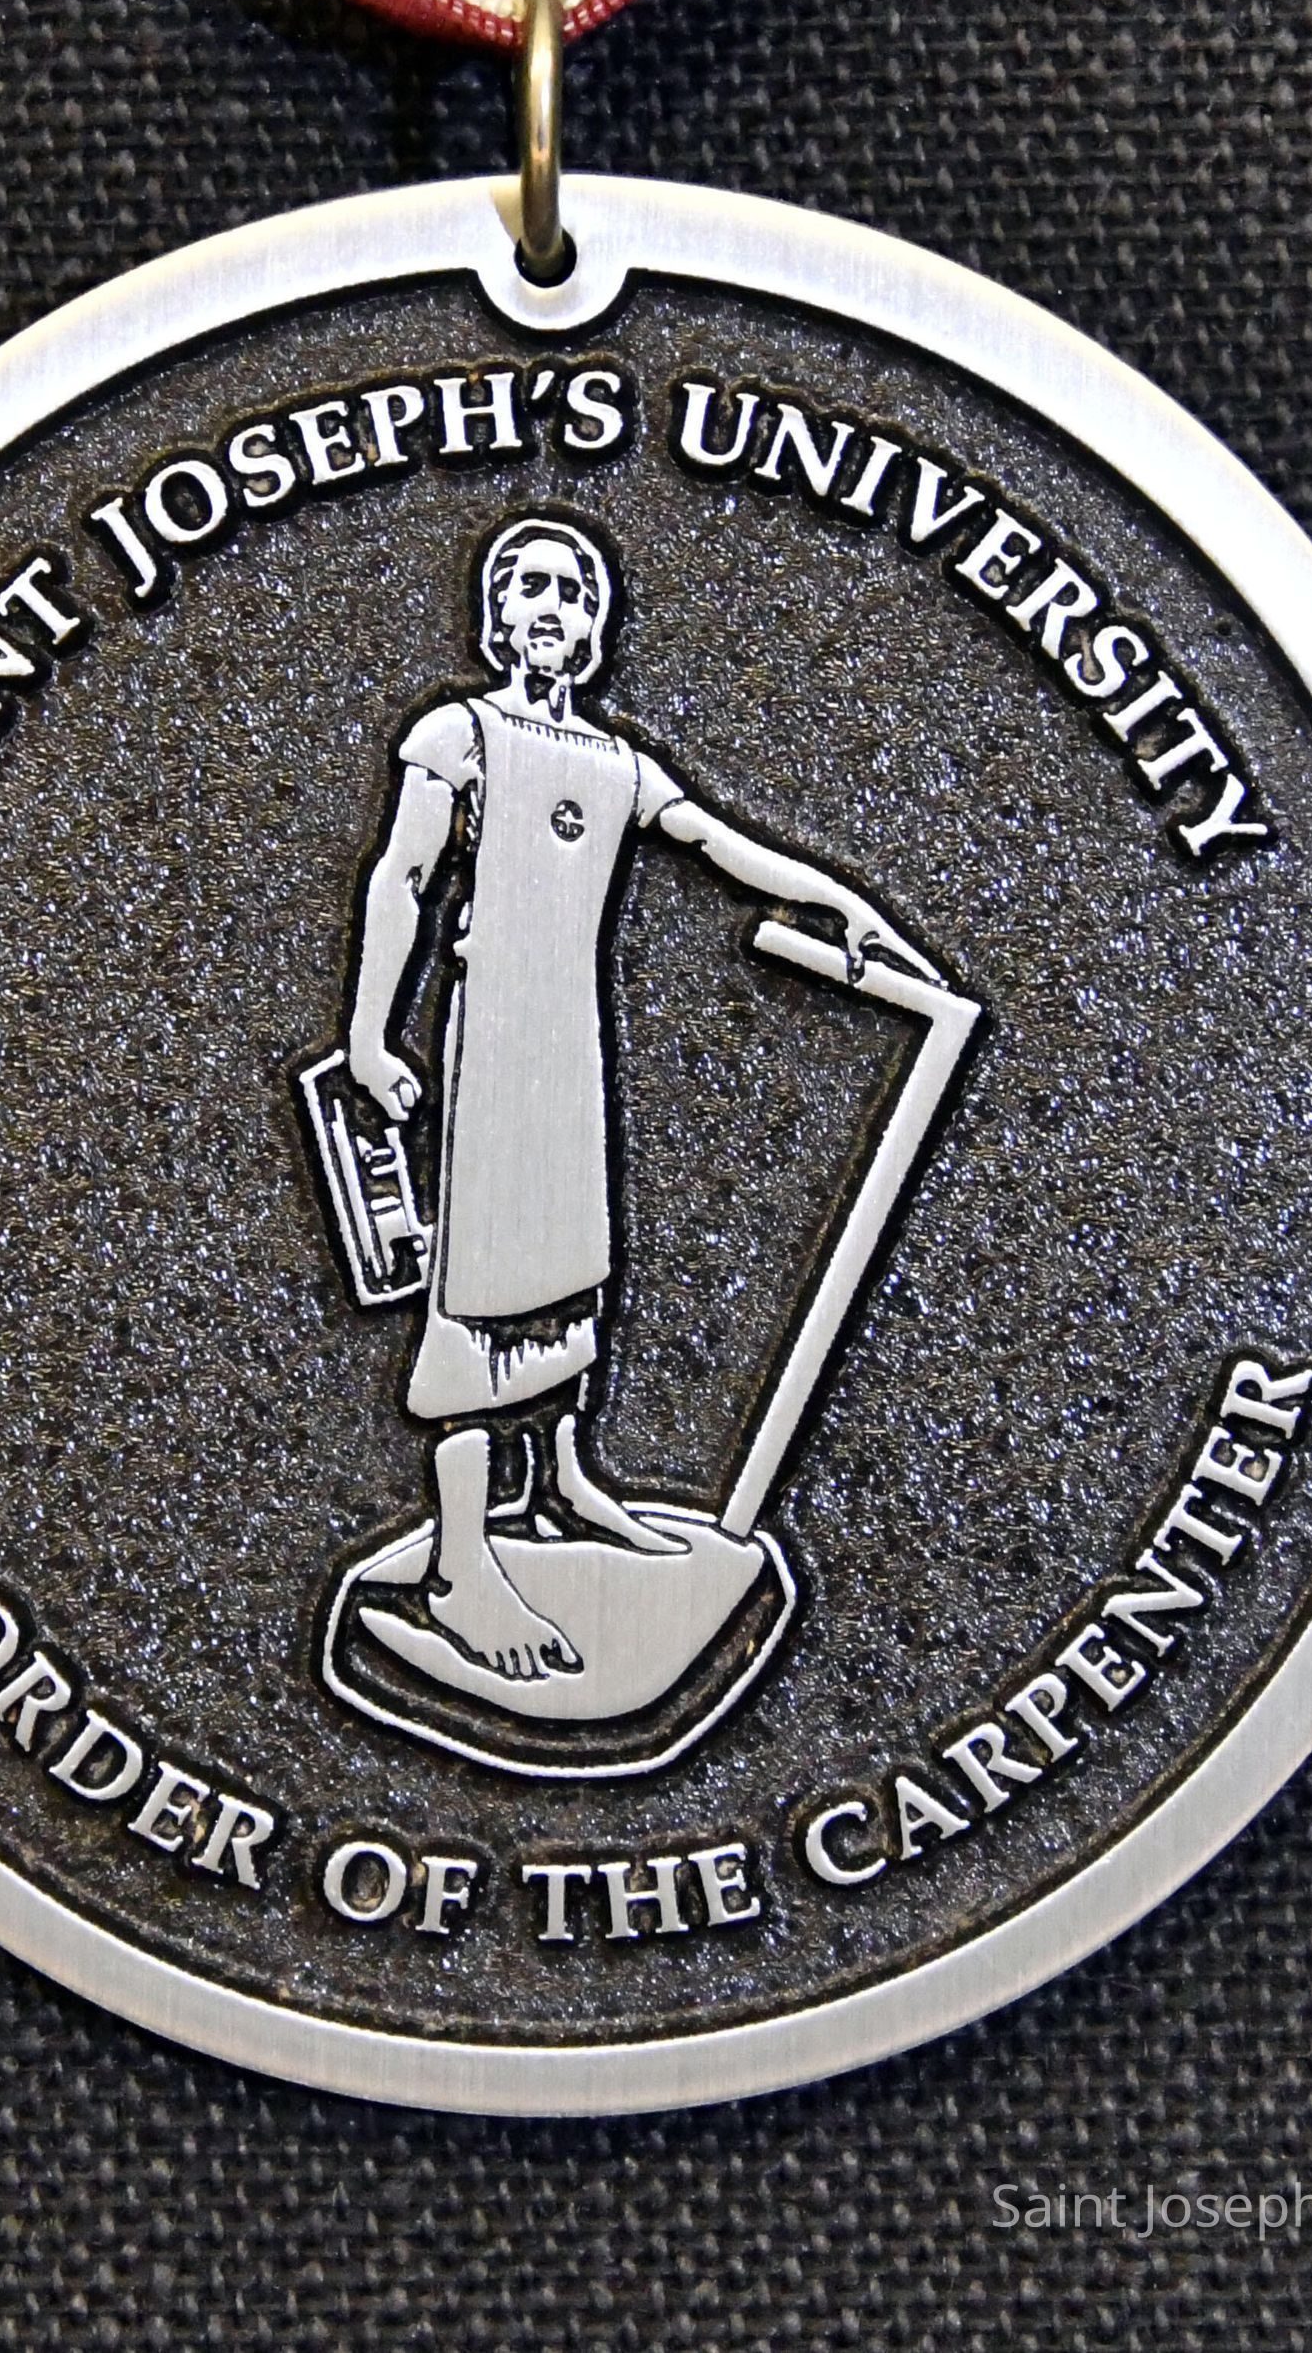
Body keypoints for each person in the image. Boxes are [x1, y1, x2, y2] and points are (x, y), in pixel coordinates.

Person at [346, 513, 935, 1679]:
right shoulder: (458, 736)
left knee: (571, 1270)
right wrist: (369, 1035)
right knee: (484, 1285)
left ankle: (561, 1482)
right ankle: (462, 1560)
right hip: (491, 1043)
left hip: (568, 1046)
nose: (555, 608)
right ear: (497, 615)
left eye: (576, 593)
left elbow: (717, 843)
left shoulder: (616, 765)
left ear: (597, 628)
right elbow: (400, 878)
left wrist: (840, 904)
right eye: (533, 588)